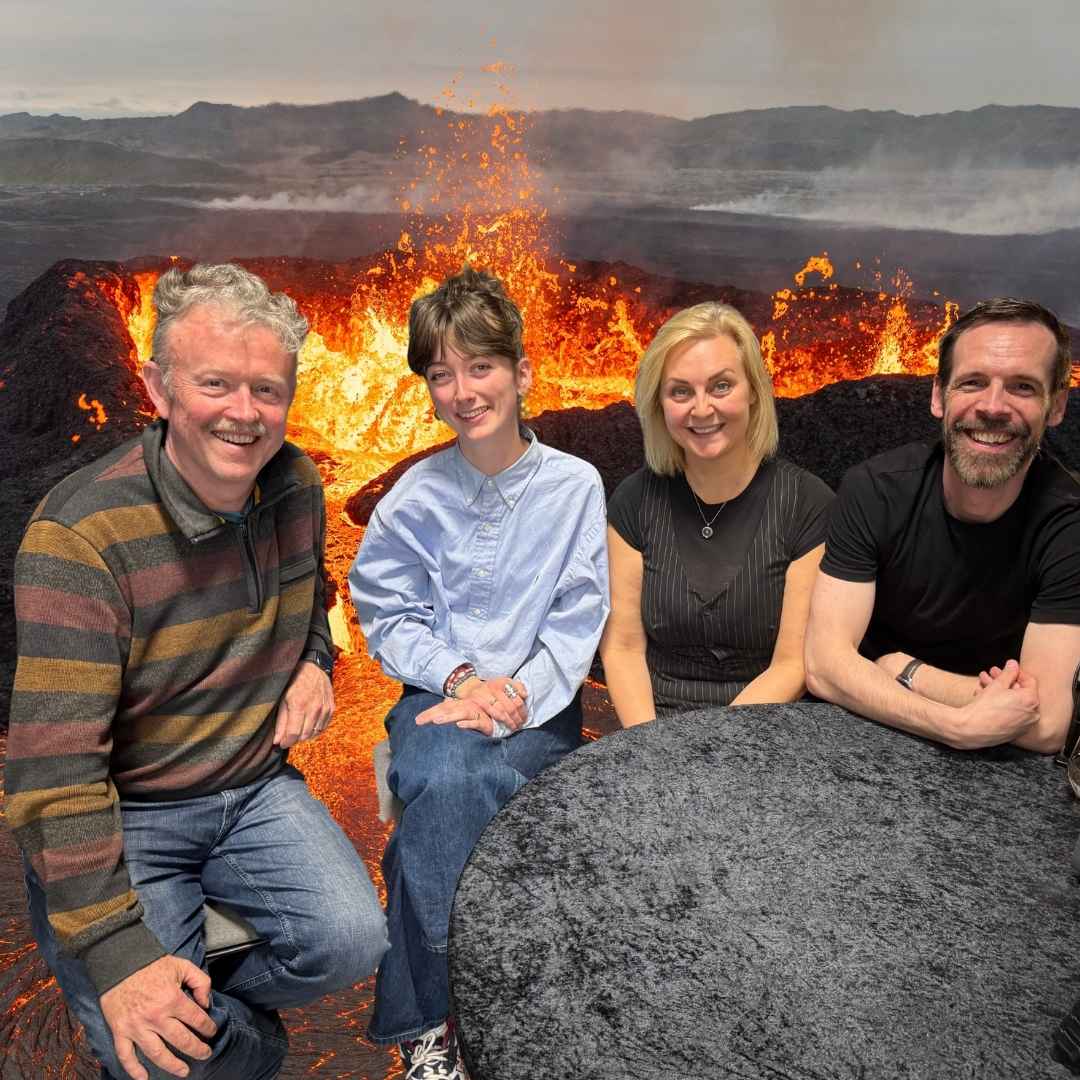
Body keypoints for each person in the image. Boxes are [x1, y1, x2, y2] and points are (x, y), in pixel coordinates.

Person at [6, 263, 387, 1080]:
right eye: (216, 383)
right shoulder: (80, 537)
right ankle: (226, 1026)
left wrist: (316, 662)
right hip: (128, 811)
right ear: (158, 387)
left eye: (266, 390)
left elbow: (310, 592)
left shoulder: (296, 486)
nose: (245, 414)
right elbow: (54, 775)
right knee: (151, 1054)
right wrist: (117, 956)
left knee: (354, 940)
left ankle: (193, 973)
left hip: (251, 791)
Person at [349, 265, 608, 1079]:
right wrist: (462, 682)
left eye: (481, 366)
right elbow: (385, 615)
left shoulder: (574, 487)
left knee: (450, 796)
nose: (463, 390)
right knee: (450, 773)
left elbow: (577, 616)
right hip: (437, 697)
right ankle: (471, 1003)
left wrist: (517, 696)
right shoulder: (413, 497)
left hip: (542, 700)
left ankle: (429, 1010)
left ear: (522, 373)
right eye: (441, 374)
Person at [804, 297, 1080, 752]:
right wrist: (957, 726)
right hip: (858, 733)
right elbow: (823, 664)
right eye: (973, 382)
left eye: (1023, 388)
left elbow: (1047, 722)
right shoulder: (875, 490)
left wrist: (907, 671)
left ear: (1056, 407)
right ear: (938, 395)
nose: (993, 406)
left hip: (995, 767)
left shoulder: (1068, 525)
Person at [598, 301, 833, 724]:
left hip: (768, 729)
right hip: (655, 729)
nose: (701, 409)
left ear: (754, 393)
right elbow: (623, 647)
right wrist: (650, 745)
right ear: (659, 404)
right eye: (680, 391)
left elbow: (793, 665)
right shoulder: (634, 501)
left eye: (721, 386)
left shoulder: (806, 503)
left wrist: (710, 751)